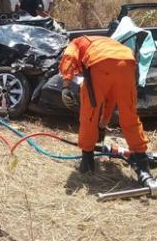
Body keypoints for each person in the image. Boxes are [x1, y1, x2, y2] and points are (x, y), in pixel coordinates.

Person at [60, 35, 151, 182]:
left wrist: (65, 87)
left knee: (89, 114)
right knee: (129, 114)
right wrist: (102, 125)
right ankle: (142, 164)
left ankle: (87, 162)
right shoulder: (108, 42)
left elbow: (69, 58)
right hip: (127, 62)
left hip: (100, 63)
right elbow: (110, 100)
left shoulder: (76, 42)